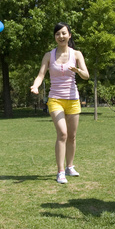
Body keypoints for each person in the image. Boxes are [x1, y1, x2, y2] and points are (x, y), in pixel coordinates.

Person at [30, 23, 89, 183]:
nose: (61, 36)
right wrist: (35, 85)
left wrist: (77, 71)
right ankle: (60, 171)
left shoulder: (76, 54)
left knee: (72, 136)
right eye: (57, 34)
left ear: (69, 35)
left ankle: (70, 166)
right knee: (62, 133)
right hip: (55, 99)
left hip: (73, 100)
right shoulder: (49, 55)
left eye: (64, 33)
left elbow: (86, 75)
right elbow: (41, 75)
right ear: (55, 37)